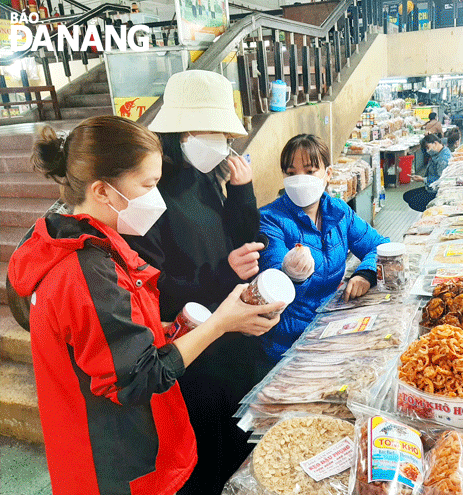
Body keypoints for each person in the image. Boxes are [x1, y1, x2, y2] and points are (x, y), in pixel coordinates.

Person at [7, 116, 284, 495]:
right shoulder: (84, 269)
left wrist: (183, 327)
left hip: (139, 445)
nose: (156, 198)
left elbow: (123, 338)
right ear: (103, 191)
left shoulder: (105, 247)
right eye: (148, 185)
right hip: (117, 462)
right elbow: (137, 377)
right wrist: (219, 324)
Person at [127, 69, 273, 493]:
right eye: (209, 132)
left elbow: (244, 242)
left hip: (232, 338)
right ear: (179, 132)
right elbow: (158, 290)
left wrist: (244, 193)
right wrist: (225, 272)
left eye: (225, 135)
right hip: (194, 350)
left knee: (240, 446)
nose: (221, 145)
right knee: (206, 457)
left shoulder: (207, 176)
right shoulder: (151, 192)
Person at [256, 134, 389, 368]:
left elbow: (380, 245)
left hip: (330, 327)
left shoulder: (338, 212)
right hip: (288, 344)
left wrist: (366, 273)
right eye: (291, 172)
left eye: (309, 171)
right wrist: (293, 275)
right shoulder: (270, 220)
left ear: (327, 174)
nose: (300, 179)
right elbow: (272, 289)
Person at [404, 132, 457, 212]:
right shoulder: (440, 151)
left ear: (435, 143)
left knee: (413, 202)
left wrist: (423, 179)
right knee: (407, 196)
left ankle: (432, 211)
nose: (427, 151)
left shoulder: (443, 159)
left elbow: (440, 180)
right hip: (430, 185)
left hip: (437, 189)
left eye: (427, 147)